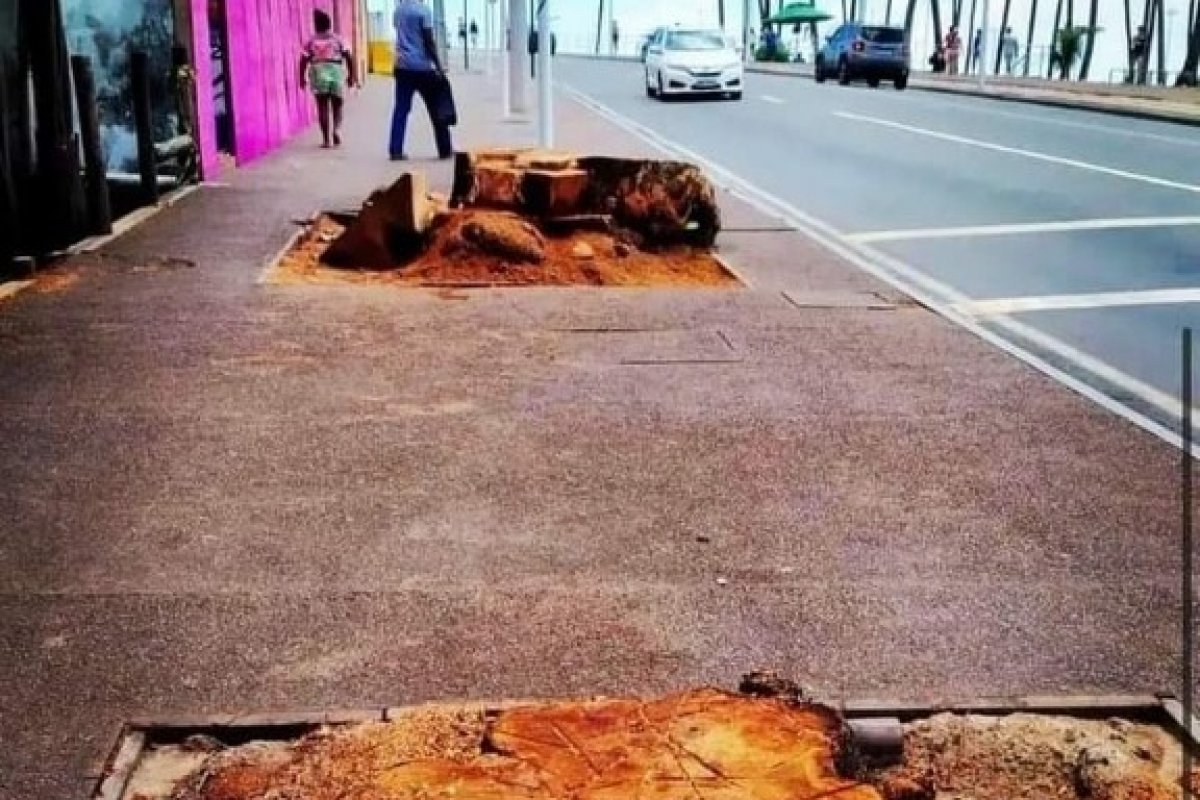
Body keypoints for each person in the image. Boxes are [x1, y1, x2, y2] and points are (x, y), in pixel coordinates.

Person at [391, 0, 453, 161]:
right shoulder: (423, 11)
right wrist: (439, 65)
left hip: (402, 66)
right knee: (435, 108)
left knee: (401, 110)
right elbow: (429, 41)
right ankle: (444, 149)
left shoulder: (398, 11)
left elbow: (401, 34)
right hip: (422, 67)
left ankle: (395, 149)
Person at [299, 10, 356, 149]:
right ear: (329, 24)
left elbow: (303, 60)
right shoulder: (338, 39)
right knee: (337, 104)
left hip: (318, 71)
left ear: (316, 25)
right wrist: (351, 76)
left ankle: (326, 140)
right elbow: (348, 57)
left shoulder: (311, 41)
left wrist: (301, 78)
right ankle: (336, 129)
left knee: (322, 106)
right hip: (335, 70)